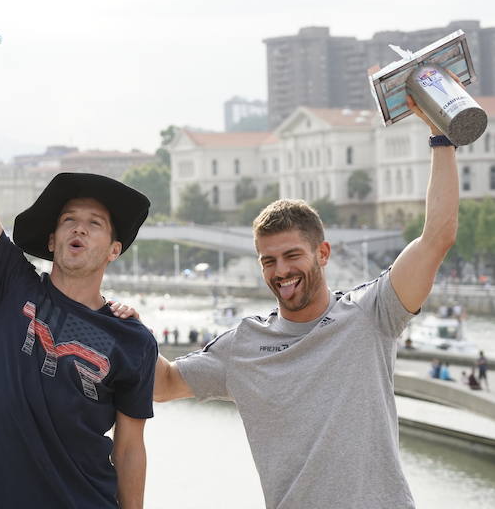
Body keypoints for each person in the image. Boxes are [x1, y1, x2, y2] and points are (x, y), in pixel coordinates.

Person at [150, 90, 458, 508]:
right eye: (268, 261)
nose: (280, 272)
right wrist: (114, 316)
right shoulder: (243, 345)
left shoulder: (372, 313)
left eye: (292, 255)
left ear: (323, 253)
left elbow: (436, 237)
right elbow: (163, 384)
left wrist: (441, 136)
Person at [0, 45, 156, 509]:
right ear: (52, 240)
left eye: (95, 223)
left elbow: (130, 447)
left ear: (114, 250)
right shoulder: (9, 286)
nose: (79, 227)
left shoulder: (132, 338)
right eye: (69, 220)